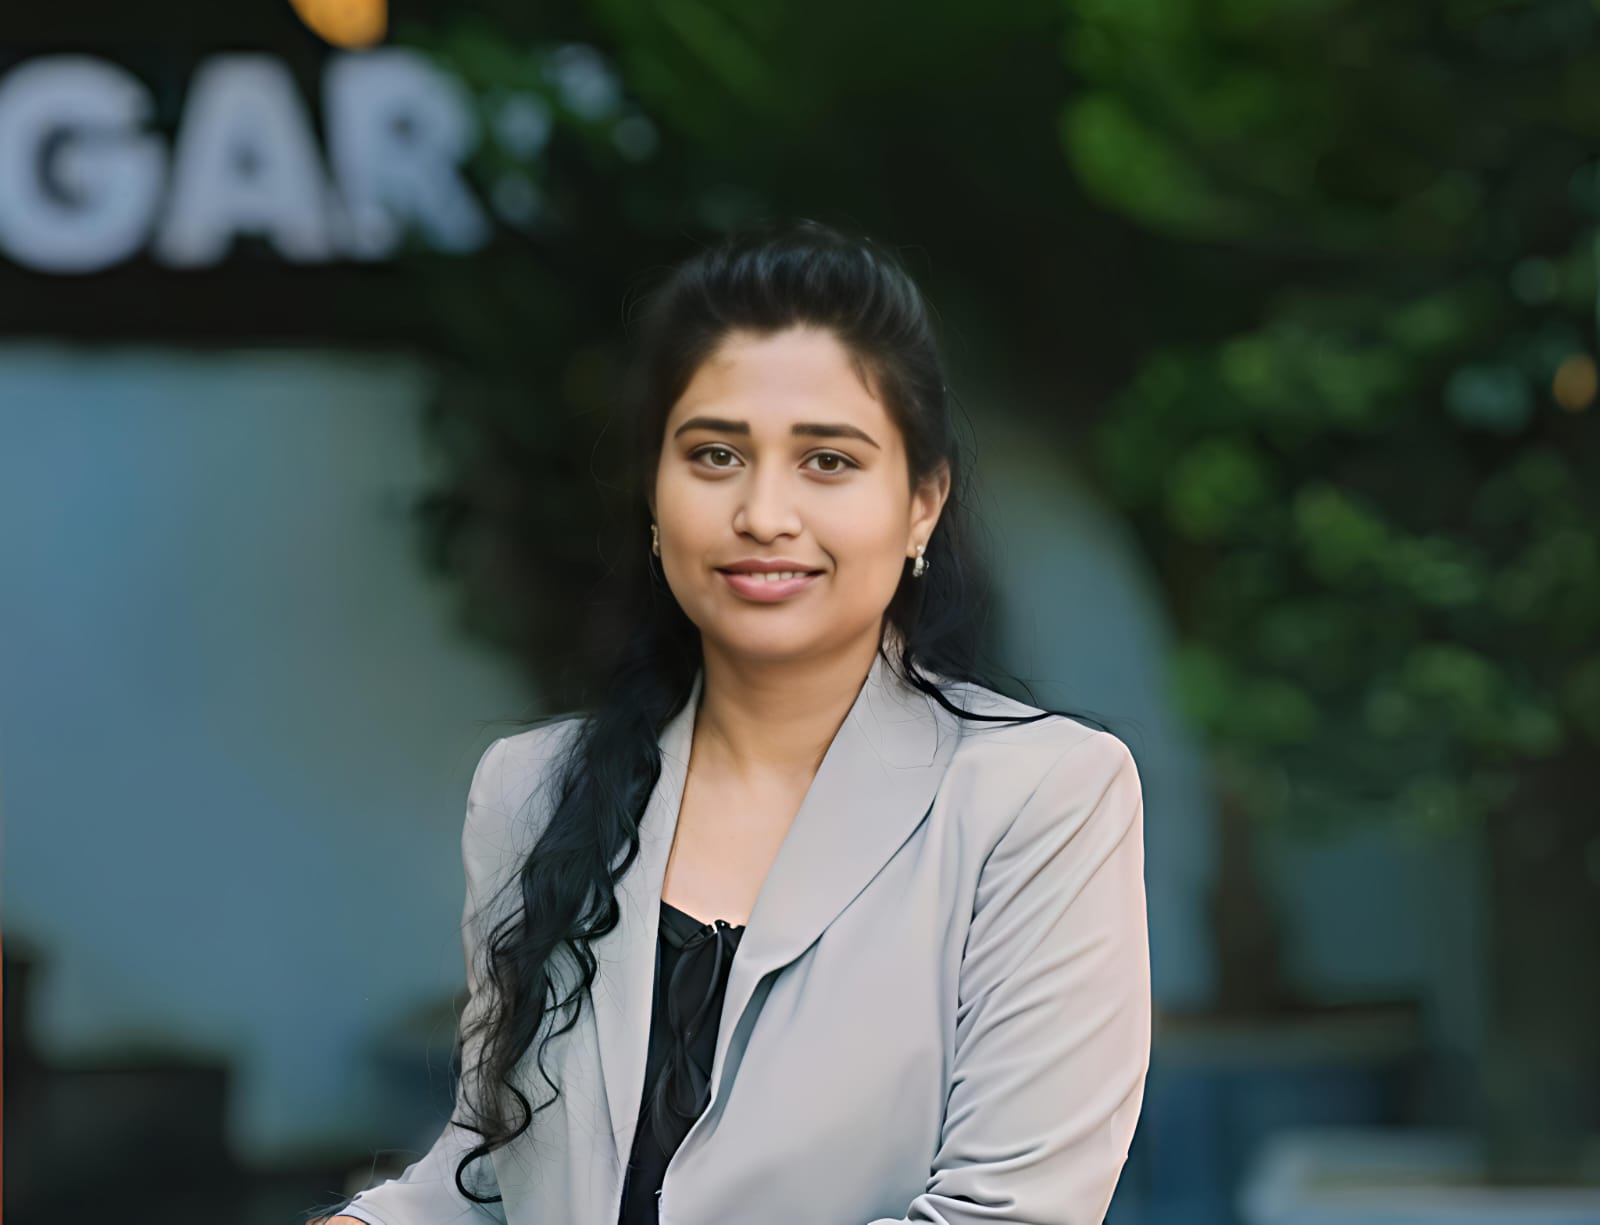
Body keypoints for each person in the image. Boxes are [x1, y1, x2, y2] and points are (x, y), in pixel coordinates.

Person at [310, 217, 1150, 1225]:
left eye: (827, 461)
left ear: (922, 502)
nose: (762, 512)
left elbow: (1012, 1213)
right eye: (714, 454)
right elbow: (495, 1171)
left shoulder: (1038, 795)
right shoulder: (531, 789)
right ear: (656, 497)